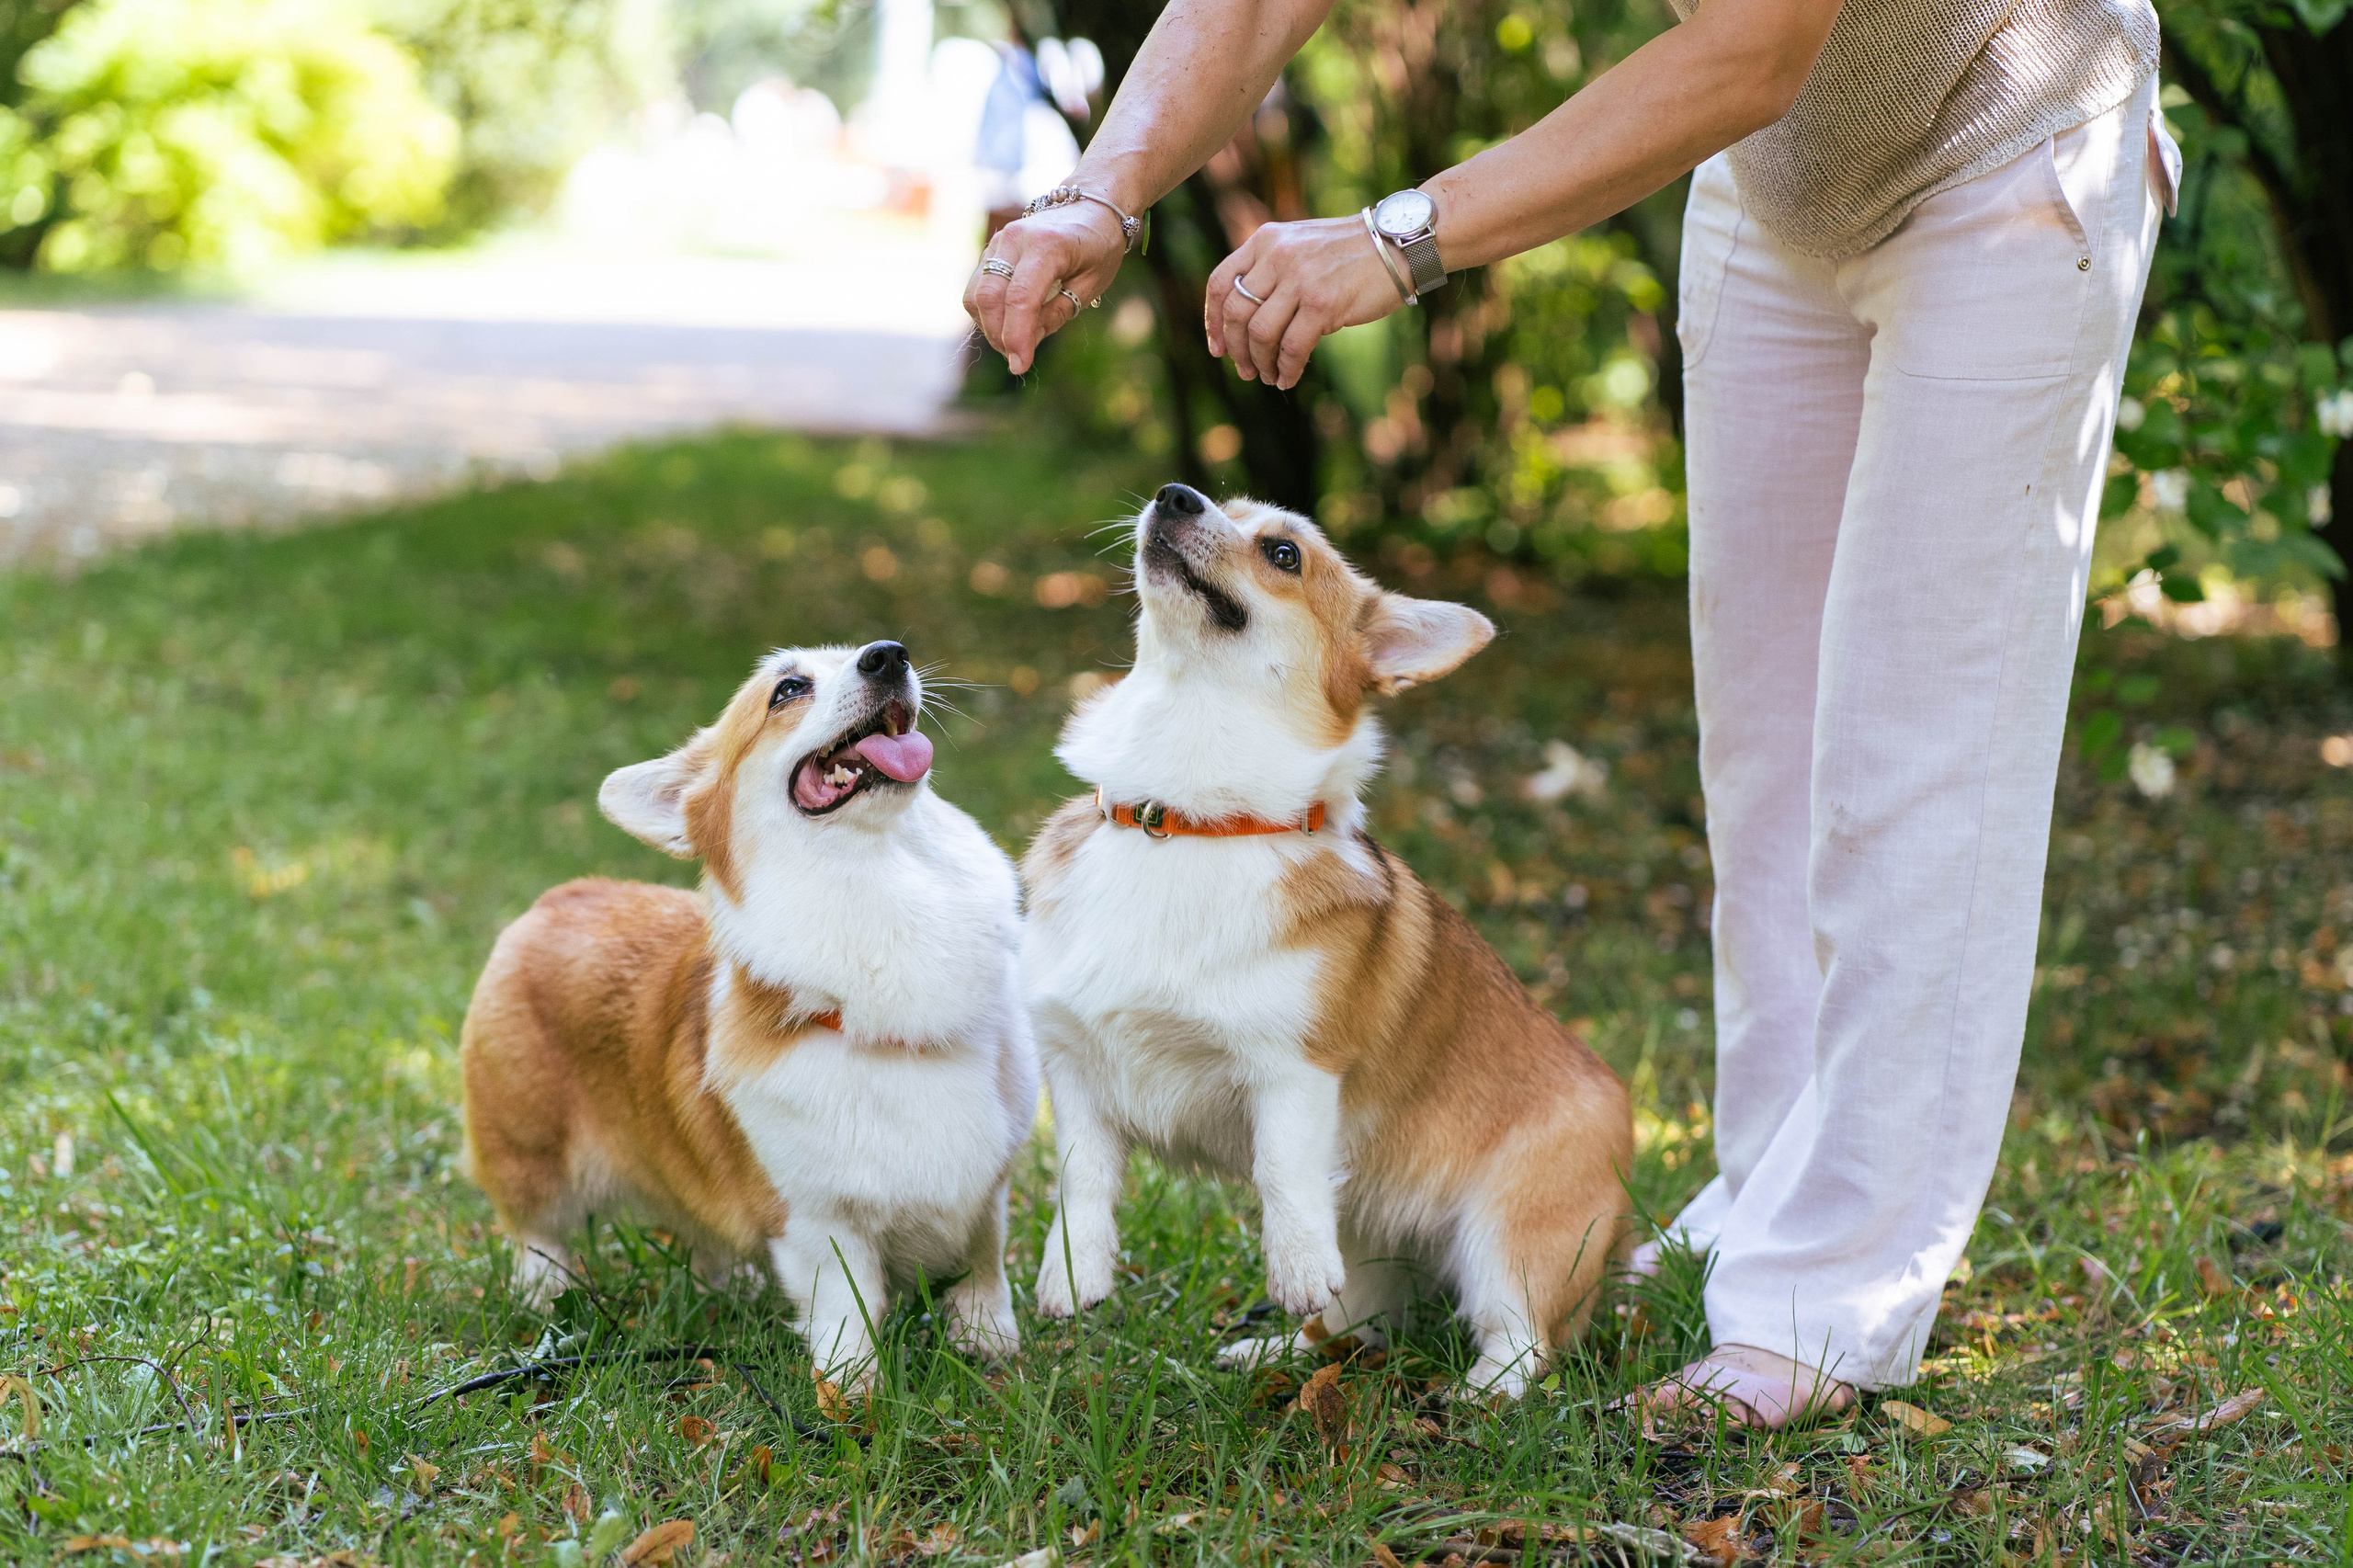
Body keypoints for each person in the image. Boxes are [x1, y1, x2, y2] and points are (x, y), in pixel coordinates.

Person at [965, 0, 2175, 1429]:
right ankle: (1773, 1184)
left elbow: (1752, 47)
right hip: (1779, 181)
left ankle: (1830, 1294)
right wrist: (1104, 190)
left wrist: (1395, 241)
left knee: (1916, 758)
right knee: (1768, 766)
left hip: (2002, 146)